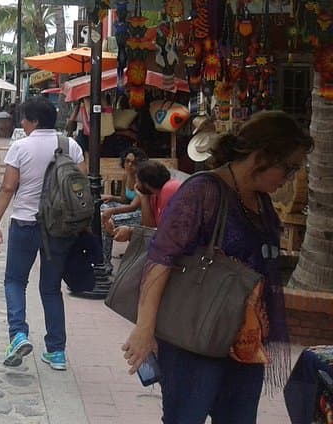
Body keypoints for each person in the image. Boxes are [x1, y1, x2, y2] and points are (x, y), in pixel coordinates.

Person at [122, 111, 312, 424]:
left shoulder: (261, 200)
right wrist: (144, 329)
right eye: (288, 167)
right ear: (261, 157)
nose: (289, 178)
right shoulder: (203, 191)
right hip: (195, 336)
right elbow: (161, 257)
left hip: (244, 343)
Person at [0, 95, 84, 371]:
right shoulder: (71, 146)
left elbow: (8, 188)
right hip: (60, 228)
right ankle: (56, 351)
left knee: (15, 281)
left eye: (25, 119)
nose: (23, 123)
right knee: (51, 288)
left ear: (34, 120)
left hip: (26, 223)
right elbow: (81, 187)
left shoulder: (21, 147)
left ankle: (18, 334)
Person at [109, 160, 181, 243]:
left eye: (137, 180)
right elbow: (149, 226)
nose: (136, 184)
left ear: (146, 183)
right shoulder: (153, 195)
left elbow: (164, 233)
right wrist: (144, 198)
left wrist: (130, 232)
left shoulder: (169, 189)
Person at [100, 146, 147, 269]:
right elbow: (124, 200)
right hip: (130, 210)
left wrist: (112, 212)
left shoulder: (141, 178)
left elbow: (133, 206)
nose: (130, 165)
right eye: (127, 161)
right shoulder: (126, 176)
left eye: (134, 163)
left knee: (108, 222)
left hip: (141, 214)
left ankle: (106, 263)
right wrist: (111, 198)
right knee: (102, 208)